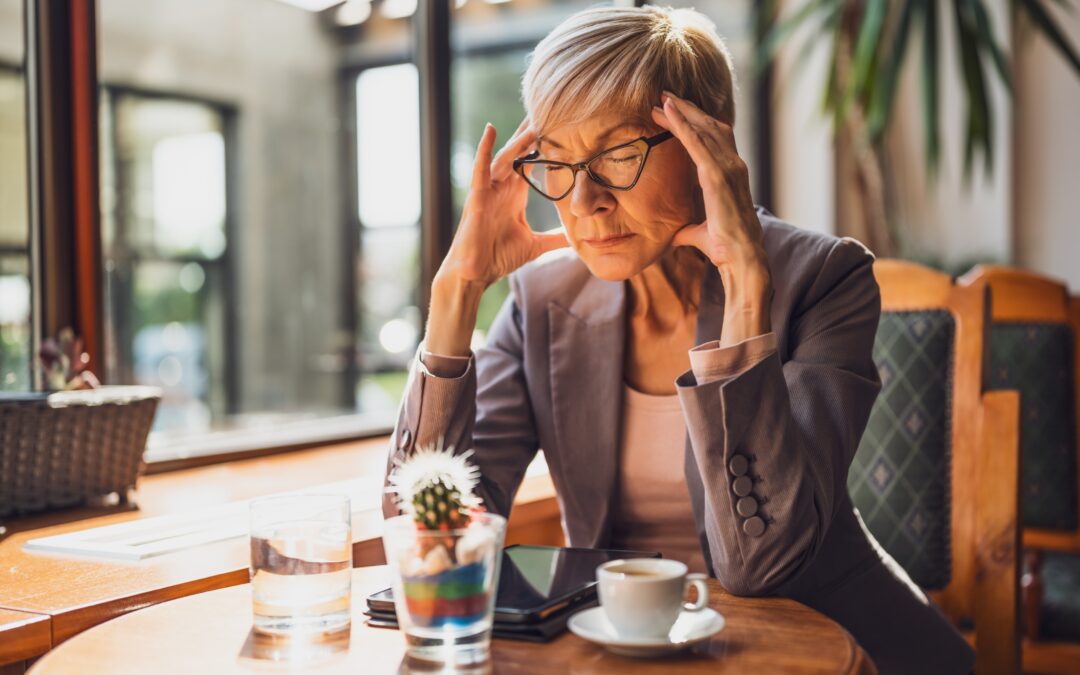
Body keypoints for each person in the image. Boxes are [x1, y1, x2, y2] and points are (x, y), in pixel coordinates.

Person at [382, 5, 973, 673]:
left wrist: (747, 293)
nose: (583, 199)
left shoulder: (824, 279)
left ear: (708, 149)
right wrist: (456, 290)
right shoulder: (543, 299)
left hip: (826, 648)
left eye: (618, 152)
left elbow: (765, 565)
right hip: (622, 651)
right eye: (558, 160)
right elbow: (428, 534)